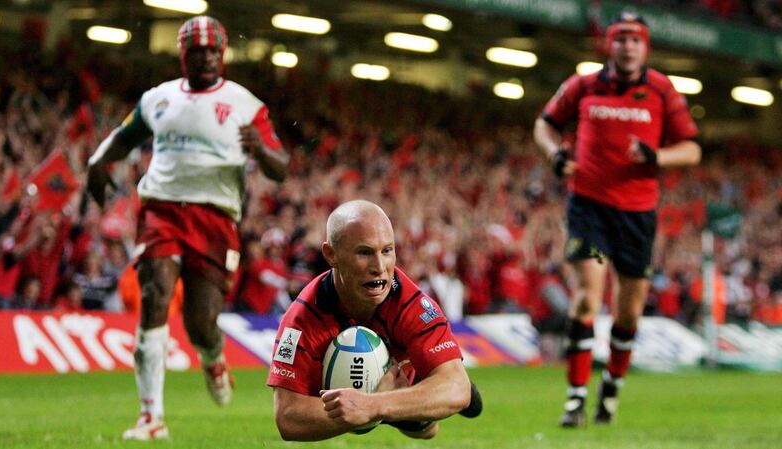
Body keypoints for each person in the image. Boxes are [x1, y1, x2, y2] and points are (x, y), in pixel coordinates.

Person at [86, 15, 289, 440]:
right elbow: (125, 137)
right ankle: (150, 416)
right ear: (184, 56)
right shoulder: (158, 100)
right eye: (199, 52)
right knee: (155, 293)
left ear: (224, 54)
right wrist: (98, 160)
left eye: (215, 51)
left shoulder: (245, 104)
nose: (208, 58)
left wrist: (262, 152)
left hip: (215, 218)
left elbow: (280, 166)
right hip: (161, 208)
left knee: (200, 321)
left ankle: (212, 356)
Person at [533, 12, 700, 427]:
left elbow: (692, 149)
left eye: (635, 40)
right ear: (610, 45)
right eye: (620, 39)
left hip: (638, 214)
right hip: (589, 207)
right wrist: (555, 156)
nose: (628, 46)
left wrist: (657, 156)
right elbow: (544, 124)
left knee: (628, 313)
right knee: (588, 295)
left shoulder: (662, 90)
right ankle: (574, 399)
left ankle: (610, 390)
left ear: (646, 47)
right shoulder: (585, 85)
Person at [267, 200, 481, 441]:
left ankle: (414, 389)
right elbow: (288, 417)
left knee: (426, 430)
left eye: (387, 251)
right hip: (371, 385)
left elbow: (457, 389)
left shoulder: (413, 304)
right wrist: (375, 408)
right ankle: (411, 399)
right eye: (364, 252)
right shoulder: (301, 319)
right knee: (422, 422)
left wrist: (373, 405)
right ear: (331, 255)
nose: (379, 267)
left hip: (393, 378)